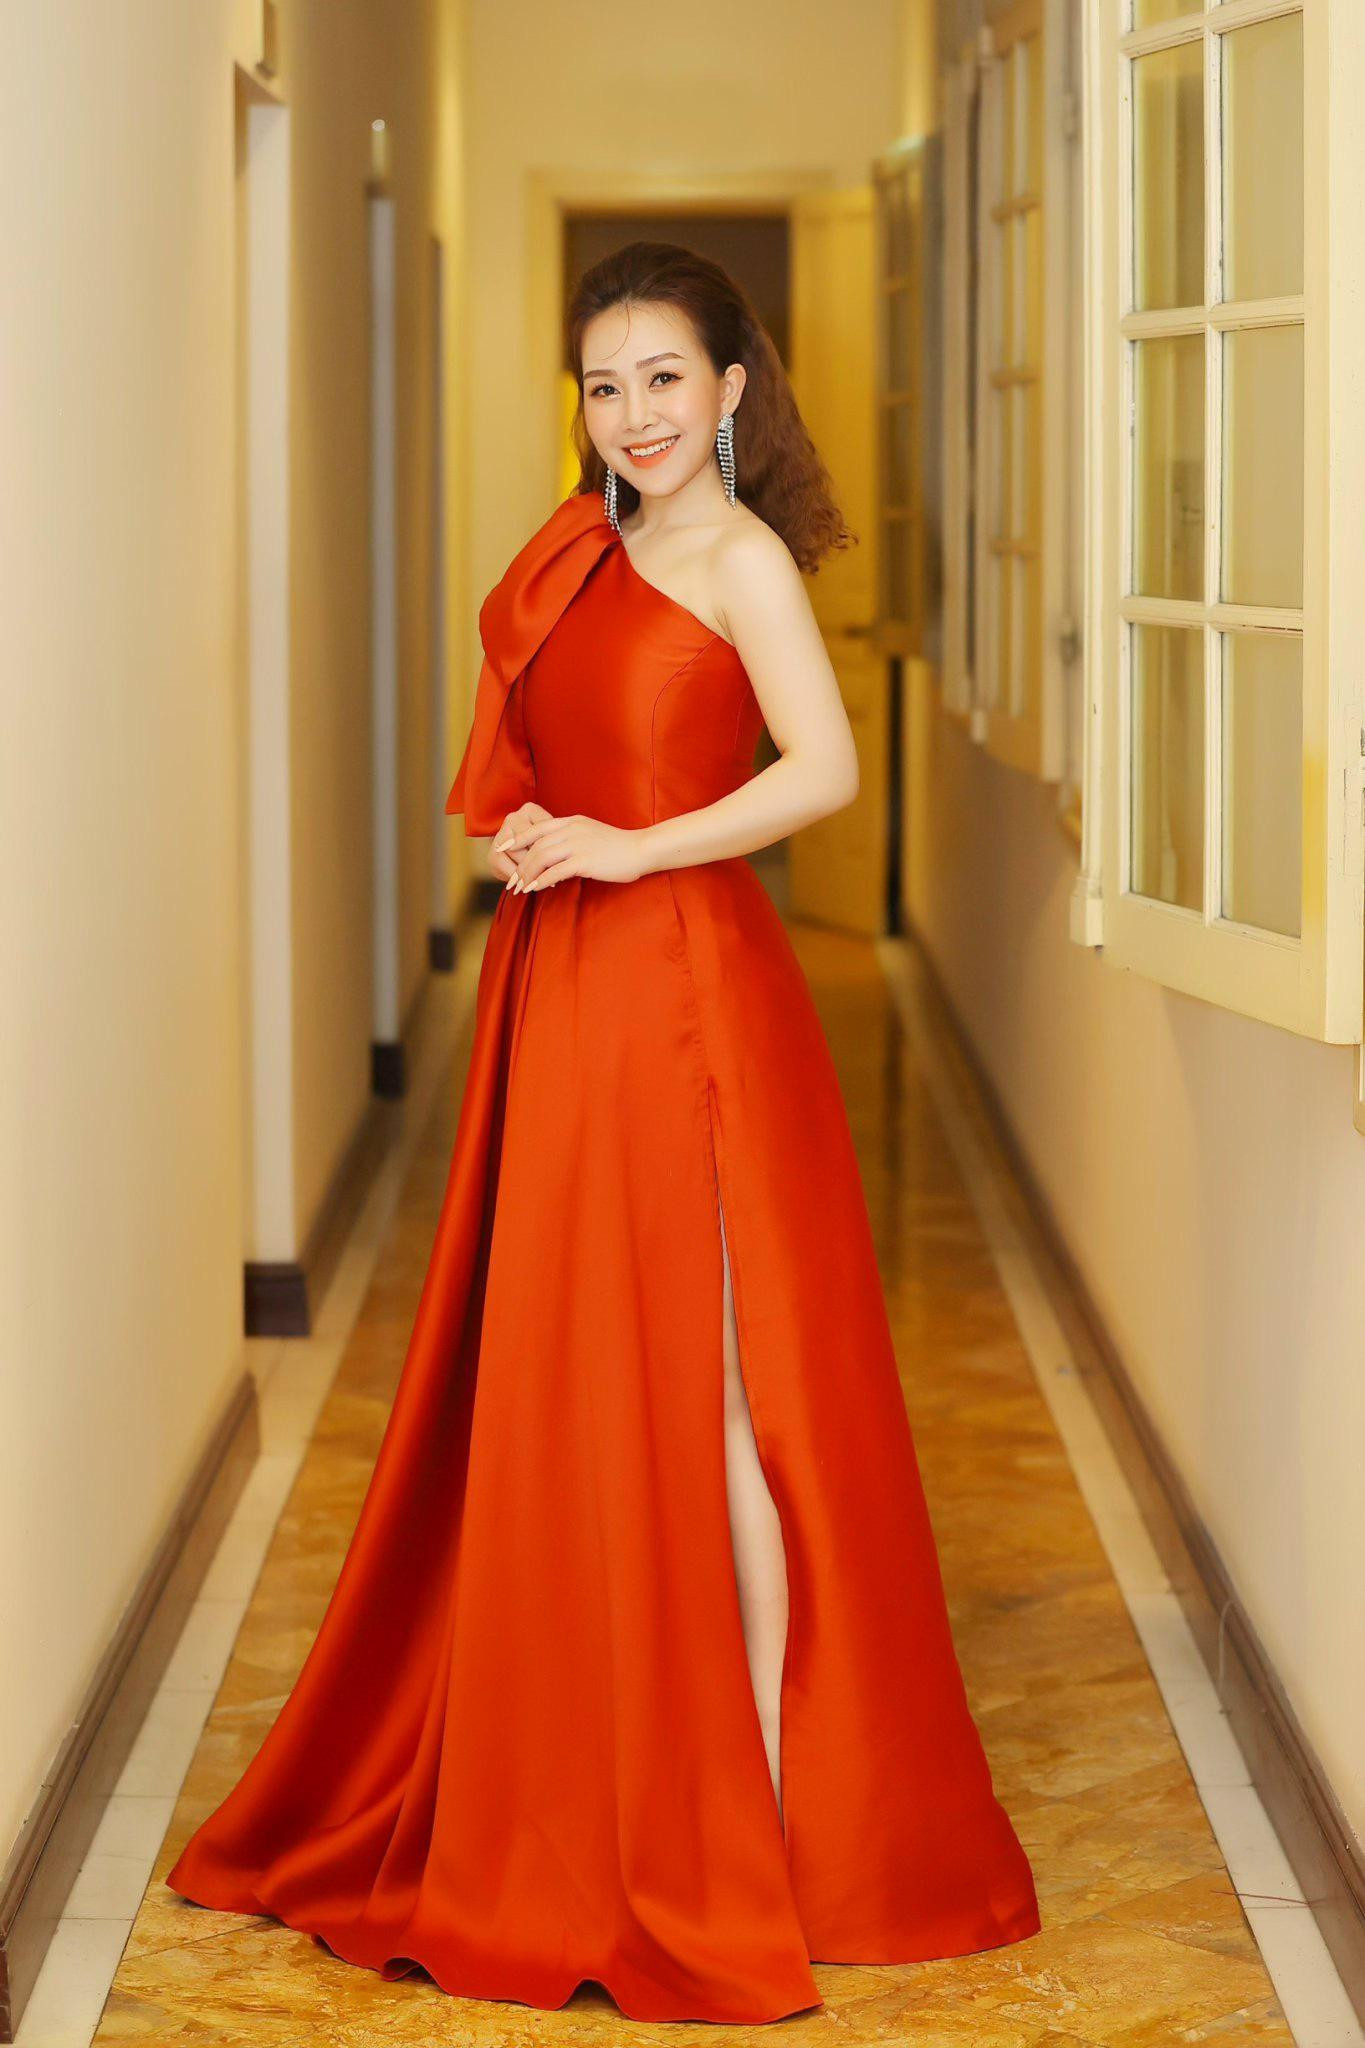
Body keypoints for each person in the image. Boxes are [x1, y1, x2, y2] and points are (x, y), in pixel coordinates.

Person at [165, 241, 1040, 2026]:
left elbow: (820, 773)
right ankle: (612, 1753)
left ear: (732, 390)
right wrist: (544, 836)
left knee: (721, 1390)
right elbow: (555, 758)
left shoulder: (740, 560)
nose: (632, 414)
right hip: (563, 987)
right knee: (573, 1366)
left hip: (687, 995)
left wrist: (631, 847)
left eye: (663, 378)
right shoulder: (586, 548)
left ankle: (776, 1805)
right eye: (603, 383)